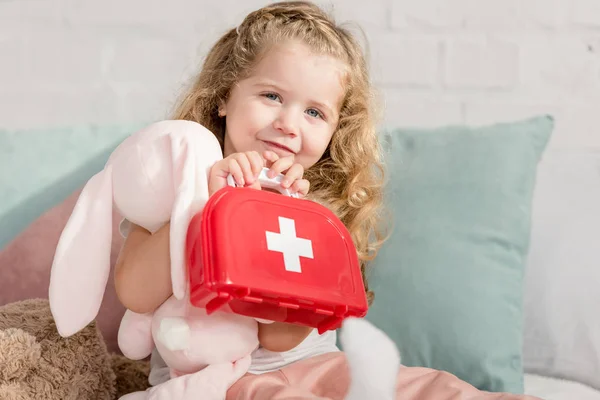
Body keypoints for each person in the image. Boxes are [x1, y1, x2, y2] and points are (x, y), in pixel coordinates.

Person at [113, 2, 542, 399]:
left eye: (314, 112)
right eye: (272, 96)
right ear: (224, 96)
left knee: (432, 387)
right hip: (220, 382)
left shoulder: (315, 212)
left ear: (335, 129)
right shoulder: (168, 189)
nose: (288, 124)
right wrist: (210, 204)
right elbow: (134, 292)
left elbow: (280, 337)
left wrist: (277, 213)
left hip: (315, 364)